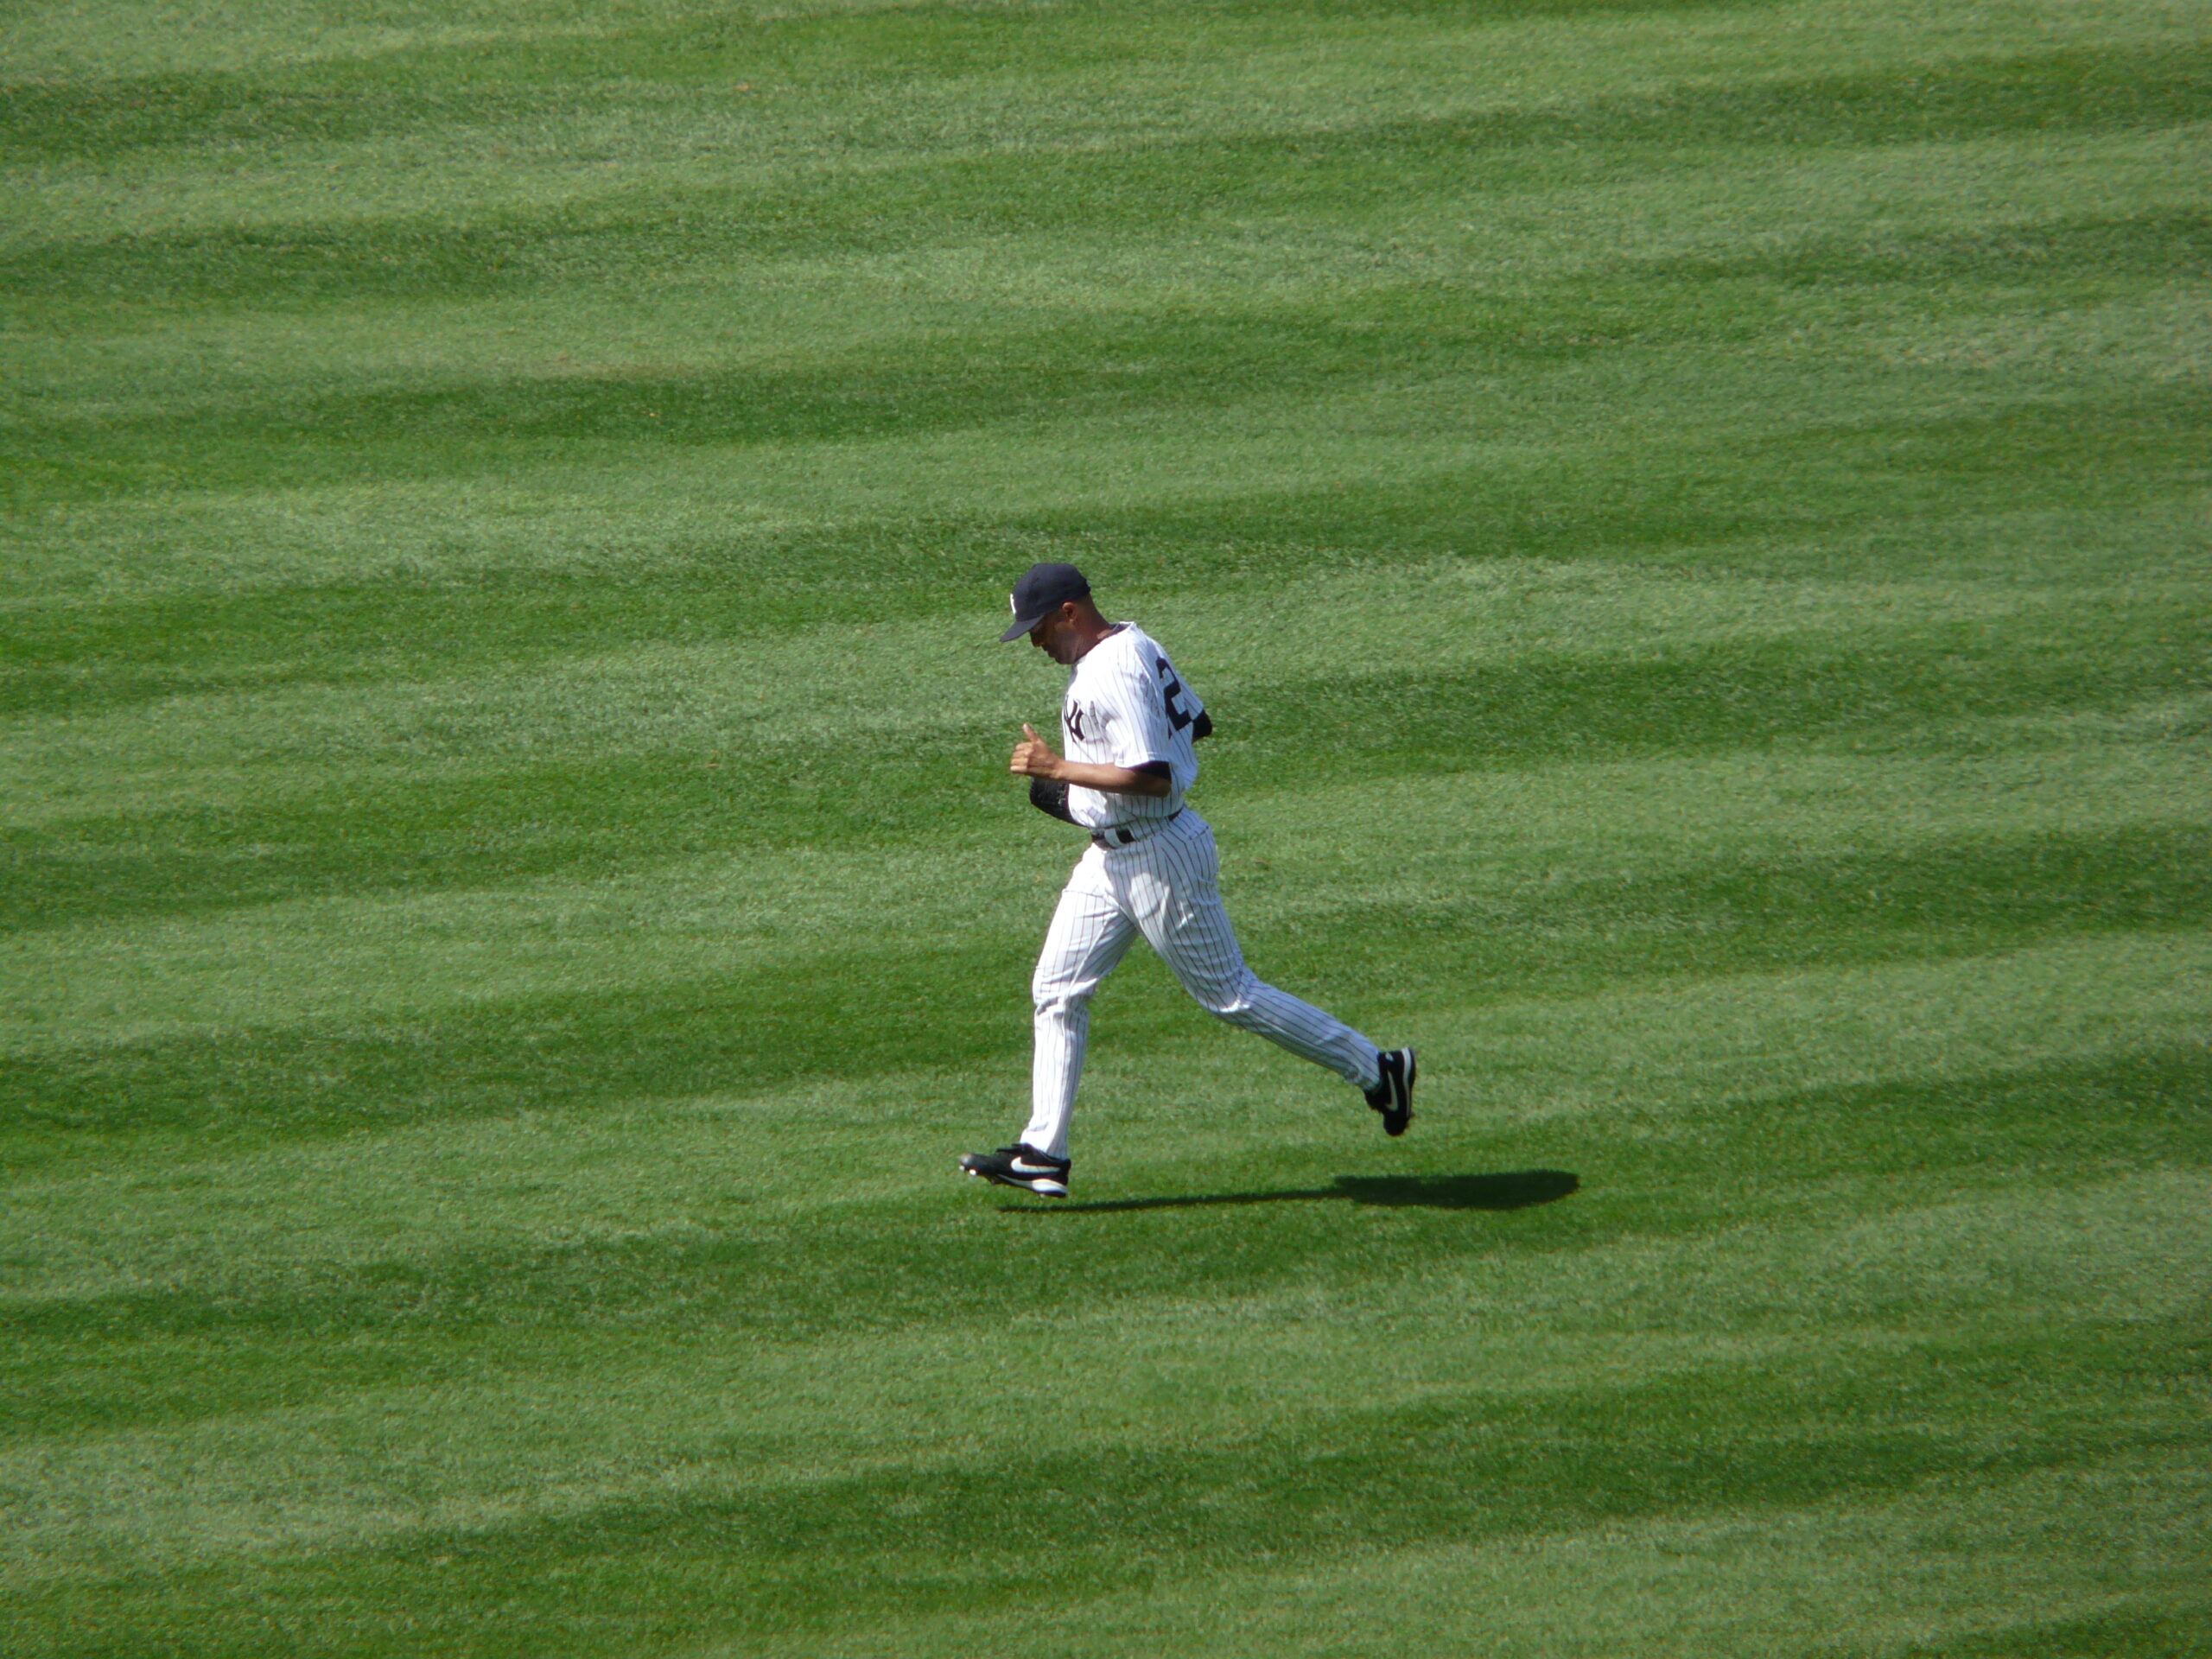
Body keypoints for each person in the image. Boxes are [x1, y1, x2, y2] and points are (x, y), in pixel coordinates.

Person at [961, 562, 1415, 1198]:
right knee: (1057, 989)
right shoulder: (1133, 642)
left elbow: (1155, 777)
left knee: (1230, 995)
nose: (1034, 642)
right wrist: (1084, 787)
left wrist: (1060, 770)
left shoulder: (1113, 667)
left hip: (1158, 856)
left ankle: (1377, 1067)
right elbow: (1196, 724)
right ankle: (1044, 1152)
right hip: (1110, 857)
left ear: (1070, 612)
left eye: (1039, 628)